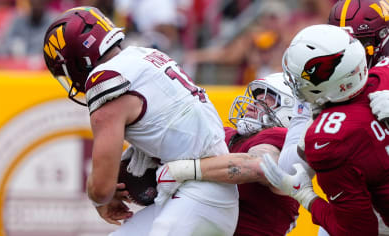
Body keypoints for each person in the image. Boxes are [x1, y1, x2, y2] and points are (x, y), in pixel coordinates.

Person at [42, 6, 238, 236]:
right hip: (201, 192)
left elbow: (102, 188)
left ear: (78, 59)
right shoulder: (142, 54)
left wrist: (98, 197)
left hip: (200, 195)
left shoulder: (105, 80)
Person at [260, 24, 389, 236]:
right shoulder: (383, 74)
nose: (293, 82)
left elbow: (356, 232)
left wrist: (304, 196)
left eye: (299, 76)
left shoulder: (329, 139)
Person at [156, 72, 314, 235]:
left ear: (290, 112)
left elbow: (260, 166)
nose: (251, 105)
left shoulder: (280, 138)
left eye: (263, 101)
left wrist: (182, 170)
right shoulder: (228, 135)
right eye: (255, 100)